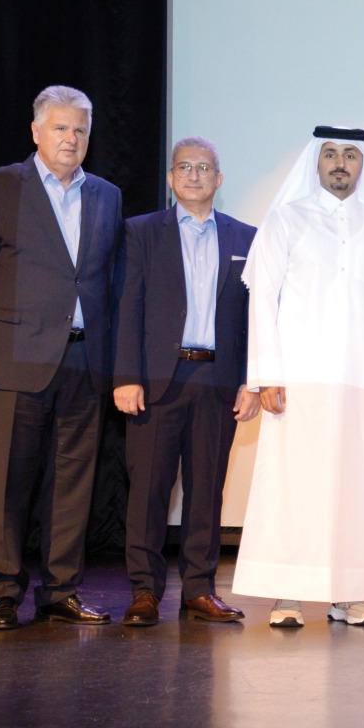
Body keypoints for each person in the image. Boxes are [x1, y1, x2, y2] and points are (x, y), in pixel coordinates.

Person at [0, 85, 123, 630]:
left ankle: (61, 590)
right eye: (61, 128)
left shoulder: (107, 195)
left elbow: (109, 282)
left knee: (73, 483)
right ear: (37, 132)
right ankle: (2, 590)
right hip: (13, 355)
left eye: (81, 130)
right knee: (6, 482)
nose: (71, 139)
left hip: (85, 359)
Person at [232, 126, 364, 627]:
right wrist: (265, 375)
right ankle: (287, 593)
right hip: (296, 379)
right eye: (330, 154)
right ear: (316, 162)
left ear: (362, 165)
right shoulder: (285, 221)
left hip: (361, 380)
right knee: (293, 487)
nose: (340, 163)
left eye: (350, 155)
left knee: (356, 489)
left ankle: (349, 593)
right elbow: (262, 300)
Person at [113, 136, 259, 626]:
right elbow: (127, 307)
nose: (194, 175)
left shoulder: (246, 238)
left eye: (204, 167)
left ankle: (199, 590)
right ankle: (144, 592)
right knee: (148, 491)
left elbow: (256, 318)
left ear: (219, 179)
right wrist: (128, 376)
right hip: (157, 381)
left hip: (218, 381)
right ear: (171, 179)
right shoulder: (141, 232)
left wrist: (252, 381)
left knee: (206, 492)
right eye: (183, 167)